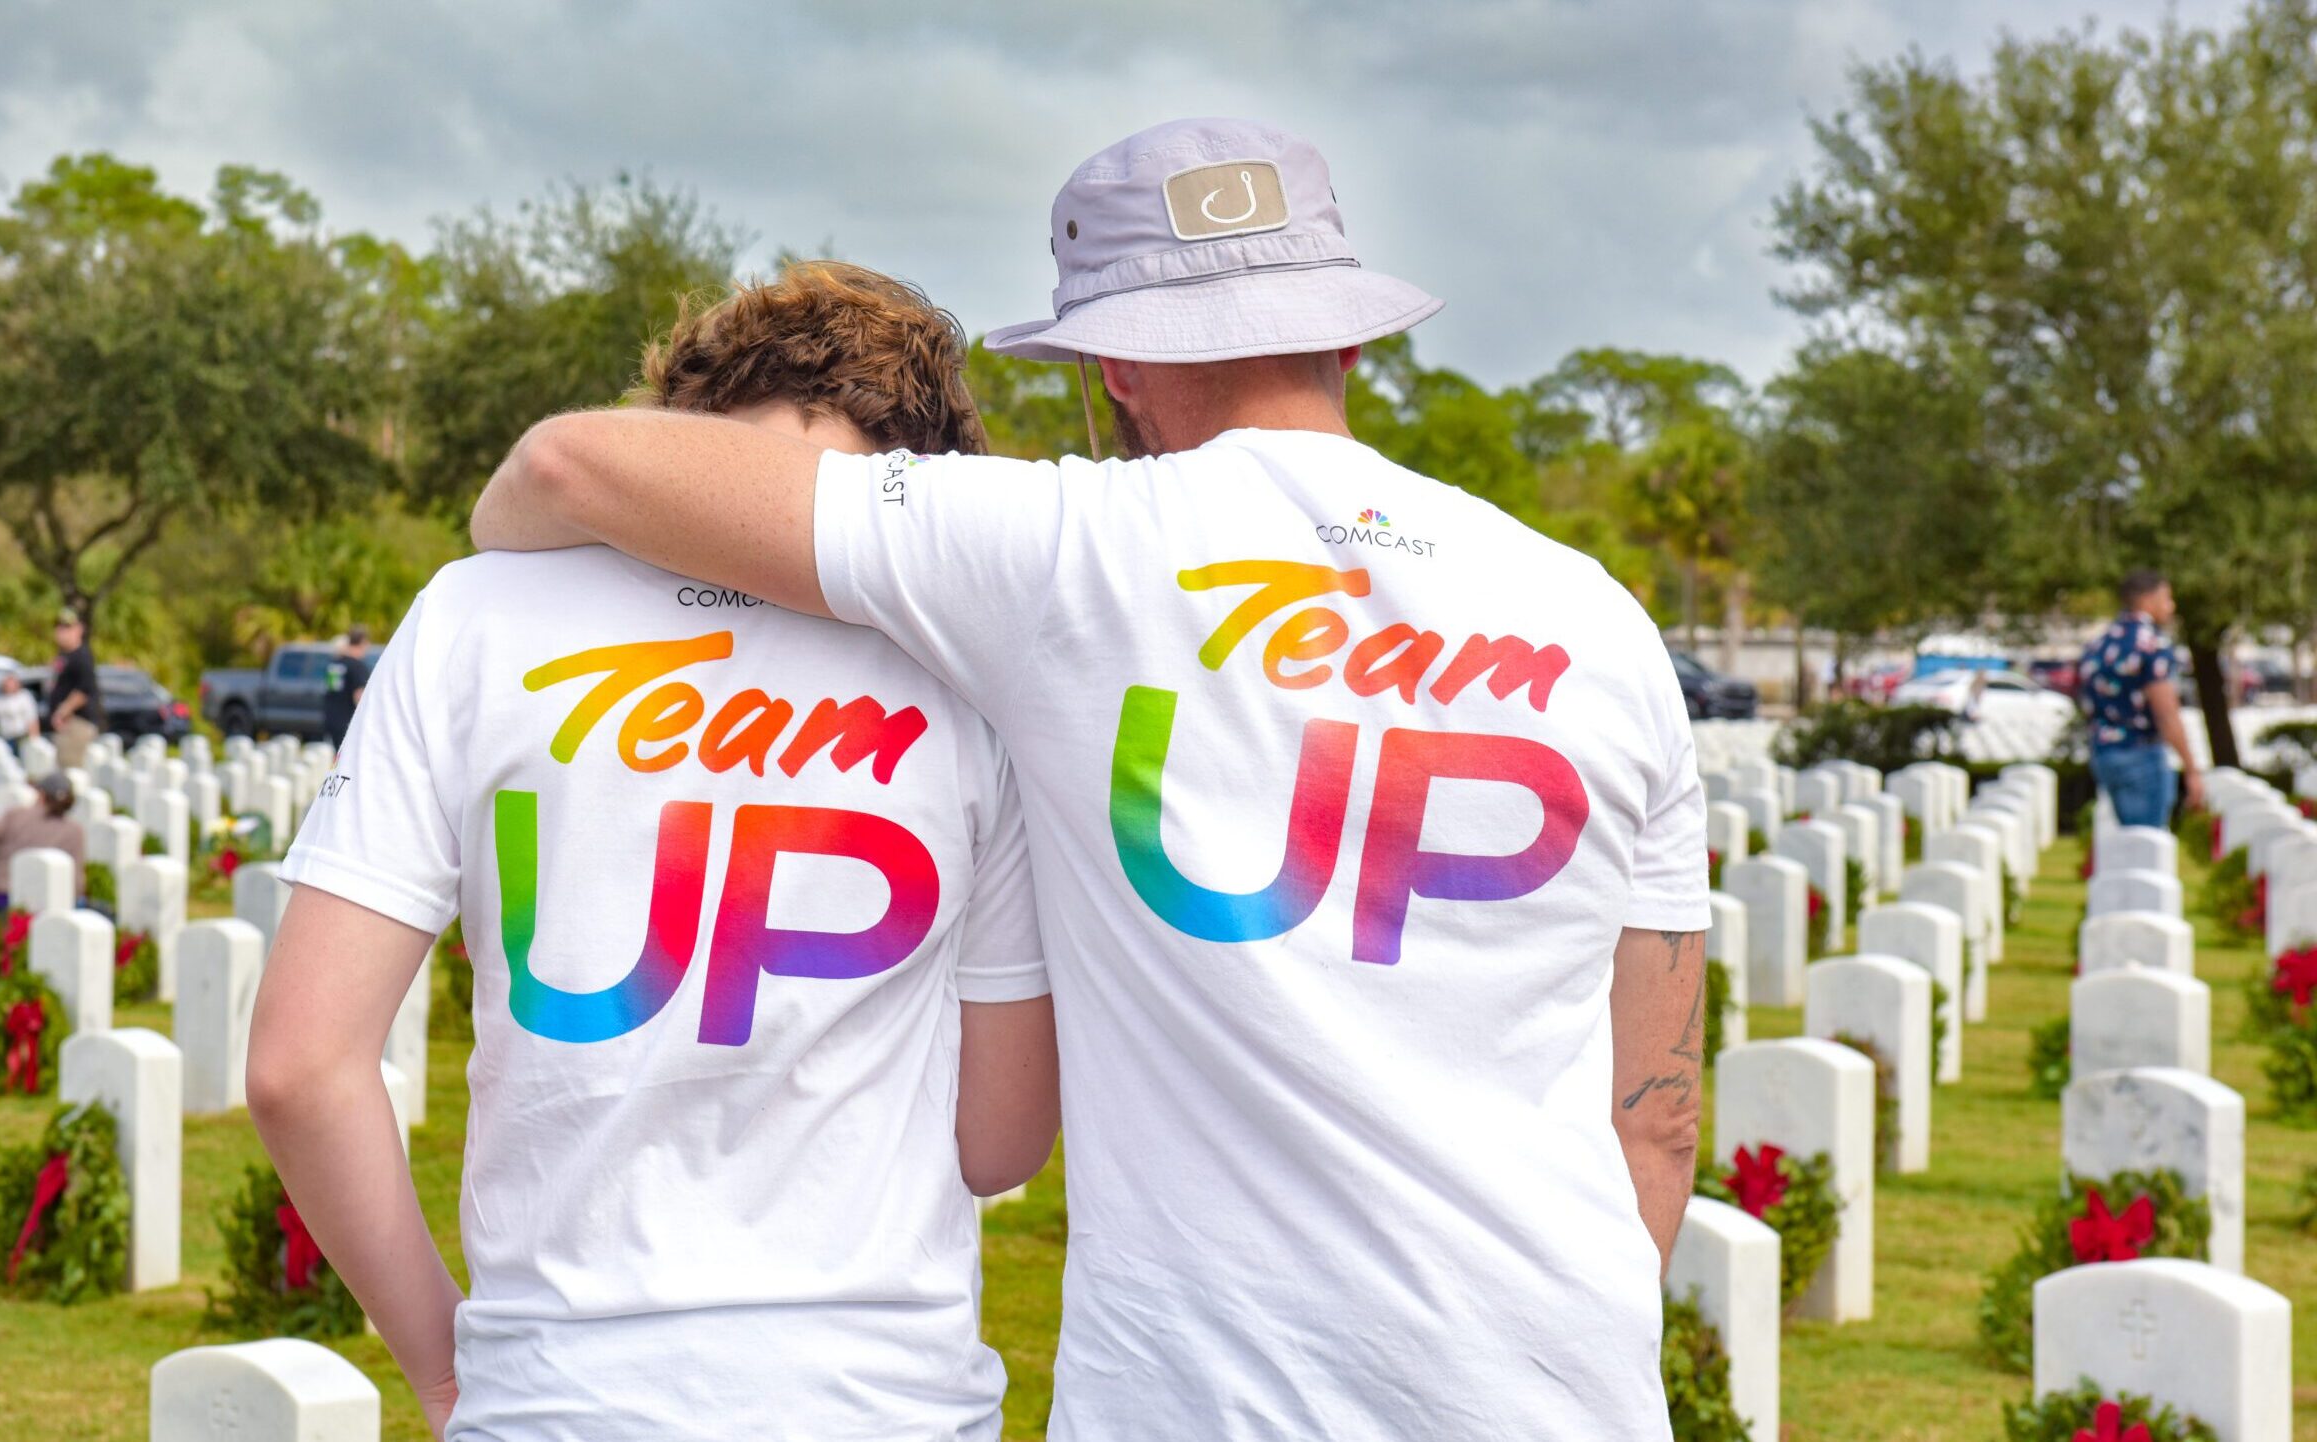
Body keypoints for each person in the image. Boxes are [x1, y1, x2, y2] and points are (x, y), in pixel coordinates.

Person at [470, 119, 1710, 1440]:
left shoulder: (1074, 549)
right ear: (1347, 337)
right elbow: (1658, 1119)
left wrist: (522, 586)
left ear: (1114, 361)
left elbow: (563, 466)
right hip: (1559, 1384)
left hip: (1208, 1395)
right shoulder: (1601, 621)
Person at [247, 261, 1061, 1441]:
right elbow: (997, 1142)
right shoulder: (971, 666)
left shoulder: (475, 615)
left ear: (682, 421)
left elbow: (298, 1065)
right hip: (883, 1393)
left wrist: (441, 1367)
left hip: (561, 1393)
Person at [2078, 568, 2203, 828]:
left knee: (2127, 837)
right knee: (2145, 844)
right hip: (2140, 751)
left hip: (2104, 753)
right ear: (2149, 600)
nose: (2171, 606)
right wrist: (2191, 768)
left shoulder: (2100, 643)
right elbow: (2166, 712)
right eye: (2167, 598)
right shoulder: (2151, 644)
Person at [0, 772, 85, 911]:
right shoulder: (75, 831)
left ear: (41, 795)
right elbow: (76, 883)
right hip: (48, 903)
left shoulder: (16, 815)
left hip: (3, 895)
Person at [45, 610, 106, 771]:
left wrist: (62, 712)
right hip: (65, 724)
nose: (61, 632)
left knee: (71, 770)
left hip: (76, 723)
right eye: (59, 627)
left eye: (67, 627)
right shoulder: (65, 655)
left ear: (79, 629)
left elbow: (83, 690)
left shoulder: (82, 656)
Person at [320, 625, 372, 750]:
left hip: (331, 718)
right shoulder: (358, 666)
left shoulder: (334, 664)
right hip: (348, 722)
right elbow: (359, 696)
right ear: (363, 642)